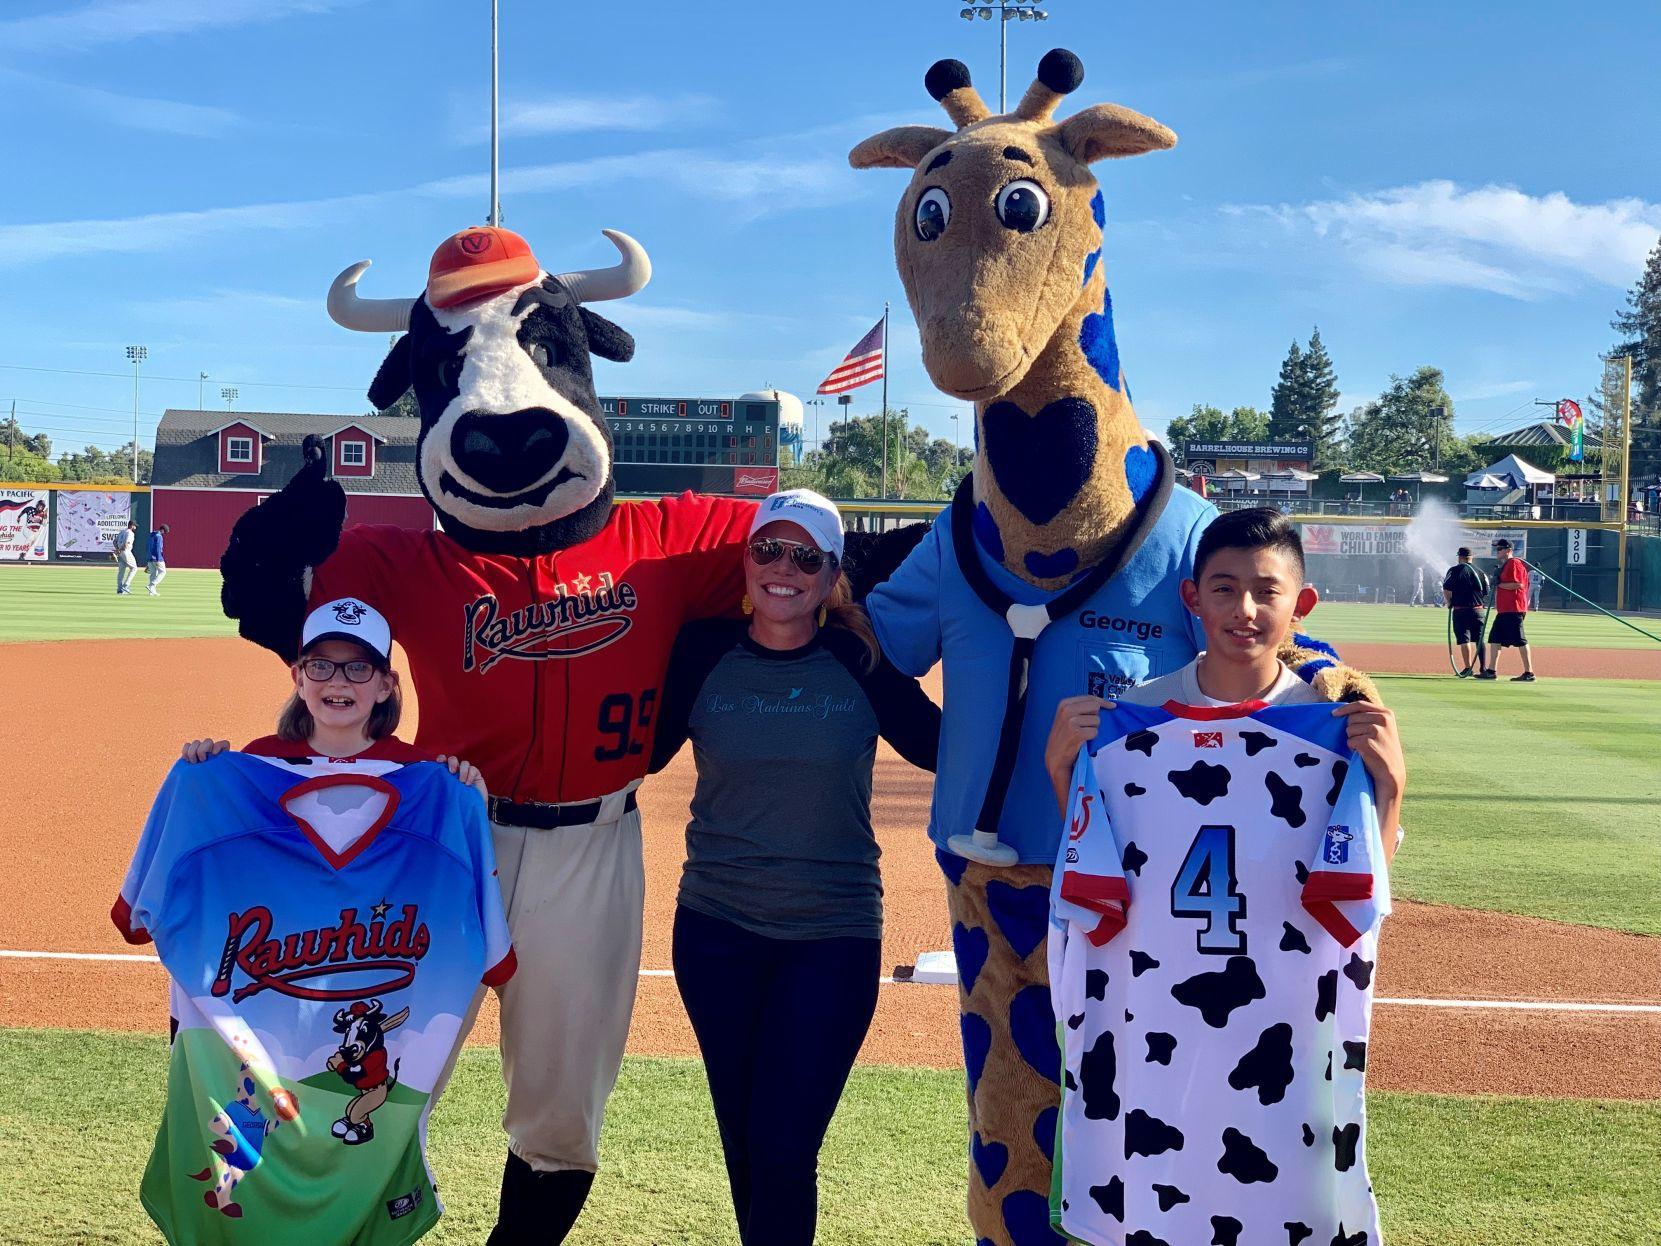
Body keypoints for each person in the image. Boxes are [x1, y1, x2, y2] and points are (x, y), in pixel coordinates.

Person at [649, 490, 939, 1246]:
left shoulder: (858, 657)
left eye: (806, 557)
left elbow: (940, 746)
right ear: (745, 562)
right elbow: (636, 754)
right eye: (768, 550)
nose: (784, 569)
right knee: (745, 1144)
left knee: (784, 1148)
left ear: (833, 575)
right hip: (715, 932)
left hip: (832, 937)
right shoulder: (701, 650)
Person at [1045, 506, 1405, 849]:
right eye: (1224, 589)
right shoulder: (1136, 712)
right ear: (1193, 598)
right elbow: (1096, 859)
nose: (1244, 610)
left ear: (1301, 605)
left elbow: (1360, 875)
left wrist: (1391, 786)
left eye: (1266, 592)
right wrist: (1062, 772)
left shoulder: (1332, 723)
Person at [180, 597, 487, 799]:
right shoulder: (261, 760)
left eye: (358, 667)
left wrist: (469, 794)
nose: (338, 682)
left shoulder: (419, 771)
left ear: (385, 686)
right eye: (320, 665)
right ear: (300, 680)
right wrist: (206, 776)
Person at [1479, 539, 1535, 681]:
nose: (1497, 551)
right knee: (1495, 638)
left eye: (1500, 549)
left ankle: (1529, 673)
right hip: (1504, 610)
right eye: (1496, 549)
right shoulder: (1505, 565)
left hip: (1514, 608)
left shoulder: (1514, 563)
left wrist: (1499, 583)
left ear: (1508, 550)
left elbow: (1518, 584)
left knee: (1520, 640)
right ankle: (1491, 671)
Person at [1442, 547, 1489, 676]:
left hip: (1460, 610)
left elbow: (1446, 588)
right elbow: (1486, 591)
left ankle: (1468, 668)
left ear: (1460, 557)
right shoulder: (1480, 572)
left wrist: (1449, 602)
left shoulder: (1454, 570)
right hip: (1478, 610)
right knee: (1479, 639)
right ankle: (1483, 668)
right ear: (1471, 557)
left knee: (1464, 639)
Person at [113, 520, 138, 595]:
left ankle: (119, 589)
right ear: (132, 526)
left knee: (121, 571)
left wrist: (117, 550)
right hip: (126, 551)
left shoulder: (122, 532)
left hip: (120, 552)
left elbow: (114, 542)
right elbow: (126, 544)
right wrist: (119, 550)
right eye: (135, 526)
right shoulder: (130, 533)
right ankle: (126, 585)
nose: (135, 527)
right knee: (134, 568)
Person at [146, 523, 170, 596]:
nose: (164, 533)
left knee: (153, 574)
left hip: (149, 558)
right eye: (164, 532)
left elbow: (149, 547)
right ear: (162, 530)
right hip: (157, 558)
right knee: (163, 572)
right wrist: (158, 559)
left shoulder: (151, 535)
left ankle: (151, 592)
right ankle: (151, 585)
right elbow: (158, 548)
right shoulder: (159, 536)